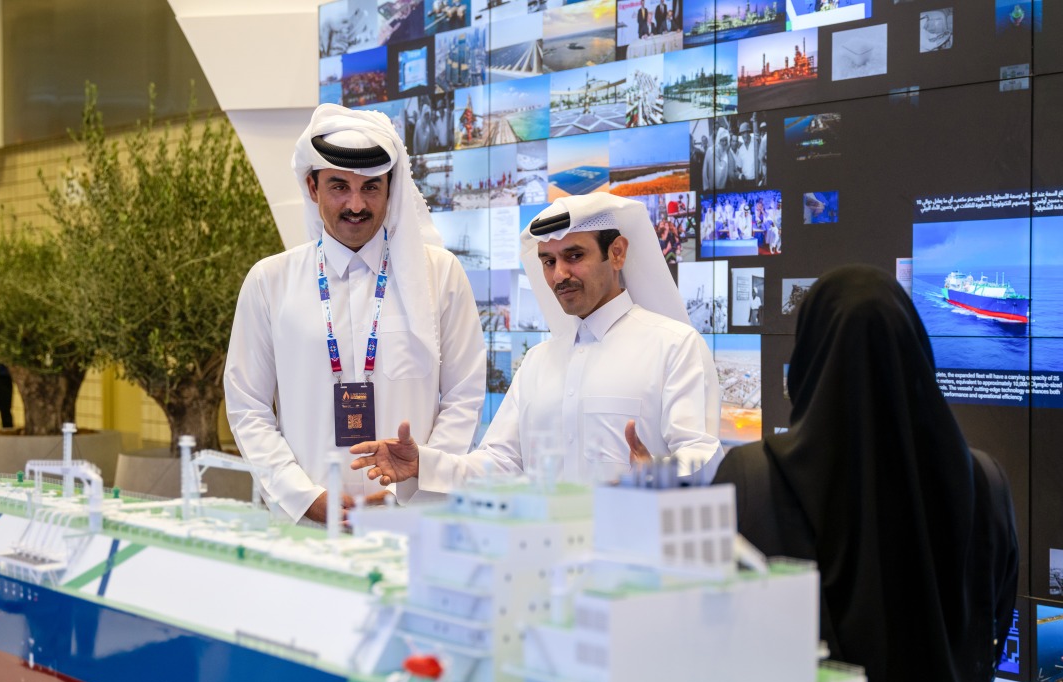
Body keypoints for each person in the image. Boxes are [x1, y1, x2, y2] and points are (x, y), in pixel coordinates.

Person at [713, 265, 1018, 682]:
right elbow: (994, 621)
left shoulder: (751, 477)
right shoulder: (985, 480)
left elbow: (717, 636)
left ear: (809, 357)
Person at [350, 193, 724, 491]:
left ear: (617, 252)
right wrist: (423, 465)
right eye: (547, 261)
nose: (560, 275)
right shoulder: (539, 362)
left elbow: (703, 455)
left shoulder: (674, 346)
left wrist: (657, 476)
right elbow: (499, 464)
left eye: (574, 256)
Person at [224, 104, 486, 525]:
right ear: (312, 187)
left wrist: (416, 486)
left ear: (390, 189)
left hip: (412, 520)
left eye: (371, 188)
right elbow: (247, 405)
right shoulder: (270, 282)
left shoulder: (439, 275)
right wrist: (302, 496)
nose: (356, 204)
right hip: (306, 525)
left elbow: (464, 395)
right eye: (339, 187)